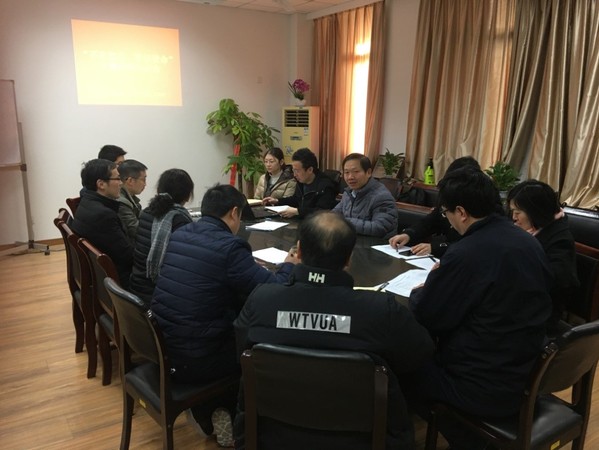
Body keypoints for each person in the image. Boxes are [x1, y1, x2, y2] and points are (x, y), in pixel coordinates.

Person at [233, 211, 435, 450]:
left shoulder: (261, 300)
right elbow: (420, 355)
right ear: (349, 259)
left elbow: (241, 351)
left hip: (272, 435)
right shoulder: (380, 310)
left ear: (298, 251)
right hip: (362, 439)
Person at [405, 168, 552, 449]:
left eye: (447, 212)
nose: (448, 219)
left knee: (400, 365)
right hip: (526, 372)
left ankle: (465, 437)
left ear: (461, 212)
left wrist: (423, 289)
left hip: (481, 386)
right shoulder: (528, 242)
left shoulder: (467, 252)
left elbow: (428, 315)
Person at [151, 184, 298, 446]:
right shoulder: (231, 246)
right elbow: (274, 289)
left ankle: (210, 410)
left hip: (163, 343)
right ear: (234, 212)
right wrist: (289, 266)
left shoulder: (182, 233)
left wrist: (245, 268)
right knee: (256, 341)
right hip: (197, 357)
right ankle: (236, 417)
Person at [507, 180, 579, 335]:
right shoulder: (532, 229)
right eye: (512, 211)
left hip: (540, 313)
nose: (513, 217)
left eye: (518, 212)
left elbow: (557, 280)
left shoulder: (560, 240)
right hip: (521, 301)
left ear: (535, 212)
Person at [389, 156, 481, 257]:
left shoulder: (478, 210)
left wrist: (435, 247)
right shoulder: (448, 199)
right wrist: (408, 234)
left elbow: (471, 246)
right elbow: (429, 222)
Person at [129, 169, 194, 305]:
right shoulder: (179, 221)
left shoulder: (147, 212)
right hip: (156, 293)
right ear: (188, 196)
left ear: (159, 190)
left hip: (137, 285)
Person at [71, 159, 133, 288]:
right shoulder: (104, 215)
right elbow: (128, 257)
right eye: (118, 179)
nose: (121, 183)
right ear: (101, 184)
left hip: (101, 277)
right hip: (118, 281)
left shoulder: (86, 202)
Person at [333, 153, 398, 239]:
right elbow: (334, 214)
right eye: (347, 172)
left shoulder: (382, 196)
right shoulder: (348, 193)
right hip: (352, 240)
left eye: (356, 172)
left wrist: (344, 222)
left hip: (376, 244)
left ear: (368, 173)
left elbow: (380, 228)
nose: (350, 177)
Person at [262, 147, 337, 219]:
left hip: (315, 224)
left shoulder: (326, 186)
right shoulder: (301, 181)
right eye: (293, 170)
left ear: (310, 170)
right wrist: (277, 201)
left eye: (297, 171)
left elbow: (322, 212)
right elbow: (296, 199)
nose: (294, 175)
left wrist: (297, 211)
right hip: (300, 221)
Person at [117, 159, 148, 244]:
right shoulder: (121, 202)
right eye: (143, 180)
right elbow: (136, 230)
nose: (145, 184)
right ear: (130, 181)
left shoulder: (130, 198)